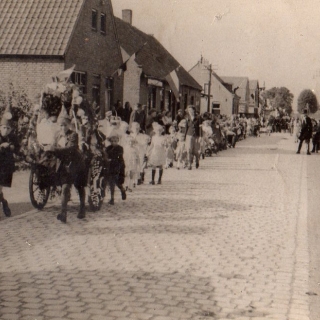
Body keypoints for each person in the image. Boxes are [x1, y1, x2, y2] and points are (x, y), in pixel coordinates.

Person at [44, 108, 87, 223]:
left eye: (64, 125)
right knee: (65, 188)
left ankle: (82, 208)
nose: (62, 128)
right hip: (64, 166)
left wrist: (55, 149)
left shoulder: (73, 135)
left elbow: (71, 149)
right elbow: (53, 146)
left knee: (79, 186)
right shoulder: (57, 135)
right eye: (60, 125)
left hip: (76, 165)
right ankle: (63, 213)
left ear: (69, 125)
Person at [0, 115, 19, 218]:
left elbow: (18, 149)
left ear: (11, 129)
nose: (5, 130)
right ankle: (3, 201)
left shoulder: (13, 137)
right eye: (3, 127)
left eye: (8, 128)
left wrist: (13, 147)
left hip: (5, 168)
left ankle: (3, 202)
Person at [105, 134, 126, 205]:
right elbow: (105, 155)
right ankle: (112, 198)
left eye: (115, 141)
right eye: (112, 141)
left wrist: (112, 159)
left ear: (118, 141)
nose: (114, 142)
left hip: (118, 166)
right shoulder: (108, 148)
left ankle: (122, 190)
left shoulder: (120, 148)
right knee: (111, 182)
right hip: (110, 166)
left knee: (117, 181)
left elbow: (119, 157)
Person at [185, 105, 201, 170]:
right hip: (189, 135)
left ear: (194, 110)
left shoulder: (198, 118)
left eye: (191, 110)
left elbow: (200, 127)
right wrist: (184, 137)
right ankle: (189, 164)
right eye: (189, 110)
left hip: (196, 135)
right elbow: (186, 128)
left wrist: (200, 136)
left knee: (196, 150)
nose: (190, 111)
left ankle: (197, 161)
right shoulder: (187, 118)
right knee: (189, 149)